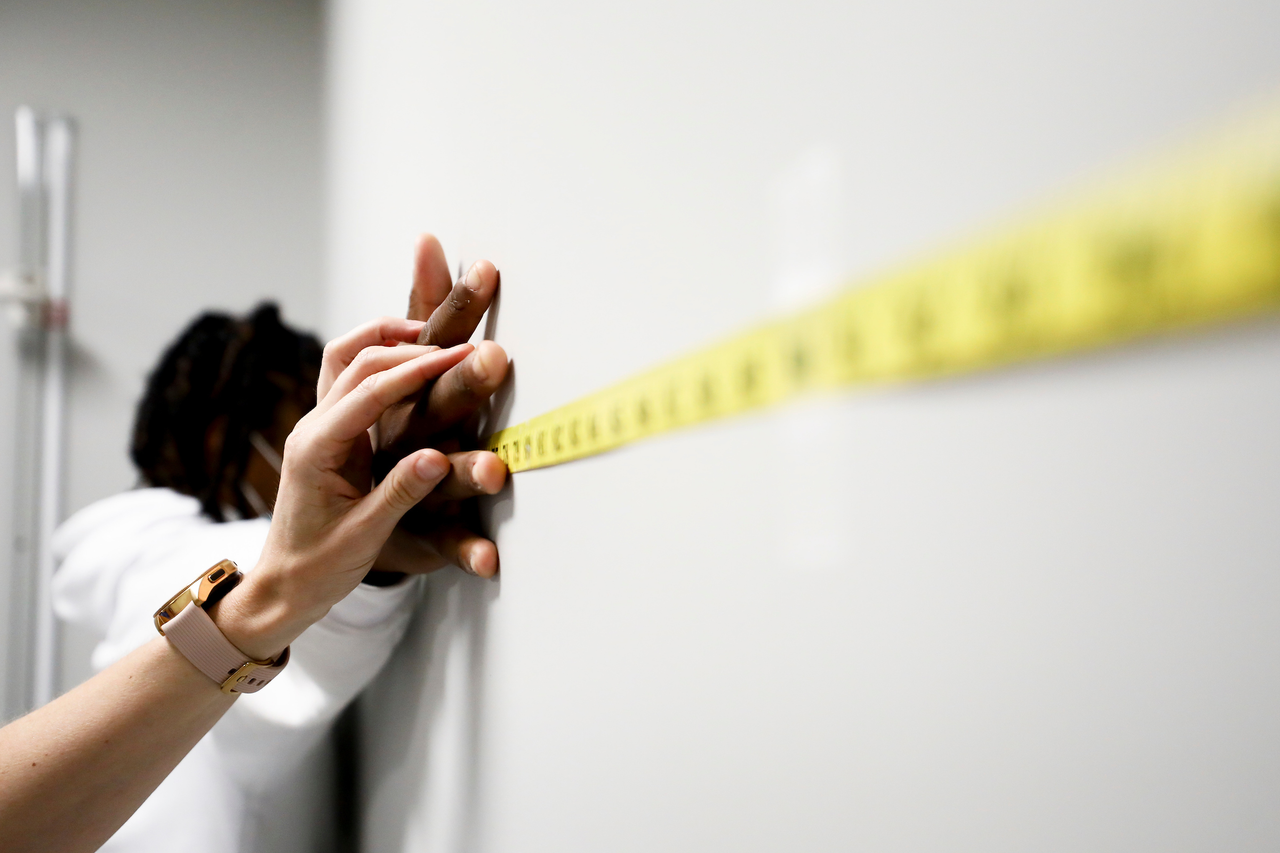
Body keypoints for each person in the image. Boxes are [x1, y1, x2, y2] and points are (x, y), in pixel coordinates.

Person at [0, 237, 507, 853]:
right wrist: (366, 558)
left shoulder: (147, 568)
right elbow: (262, 601)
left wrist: (369, 546)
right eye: (304, 422)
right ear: (220, 439)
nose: (342, 451)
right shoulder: (166, 567)